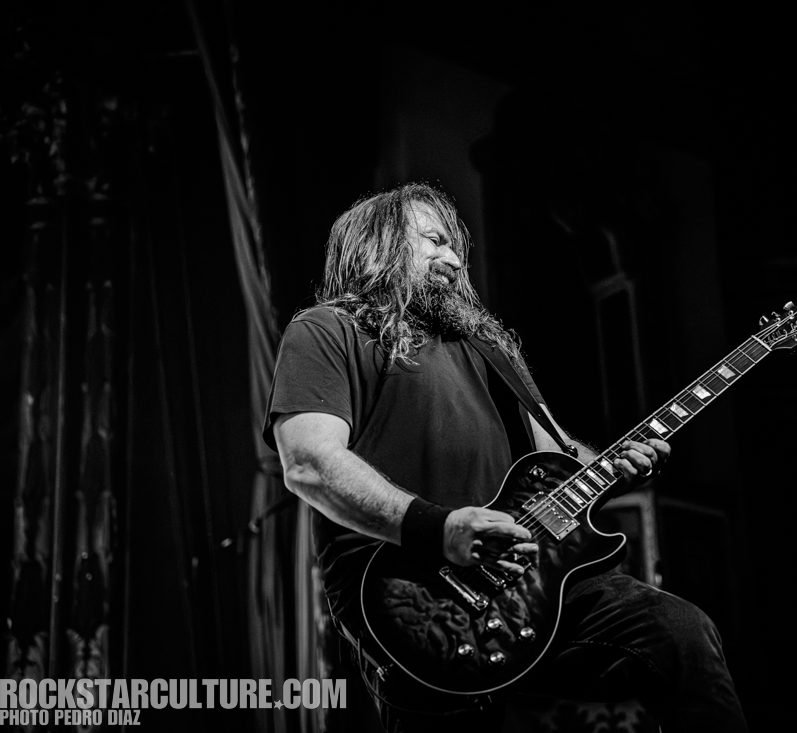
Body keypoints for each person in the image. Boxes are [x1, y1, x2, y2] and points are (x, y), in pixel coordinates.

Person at [263, 182, 747, 732]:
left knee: (677, 631)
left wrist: (614, 465)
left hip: (531, 581)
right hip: (413, 592)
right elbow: (309, 462)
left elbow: (559, 461)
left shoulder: (491, 348)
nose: (452, 259)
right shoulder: (328, 330)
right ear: (375, 245)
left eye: (457, 249)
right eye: (433, 241)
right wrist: (439, 527)